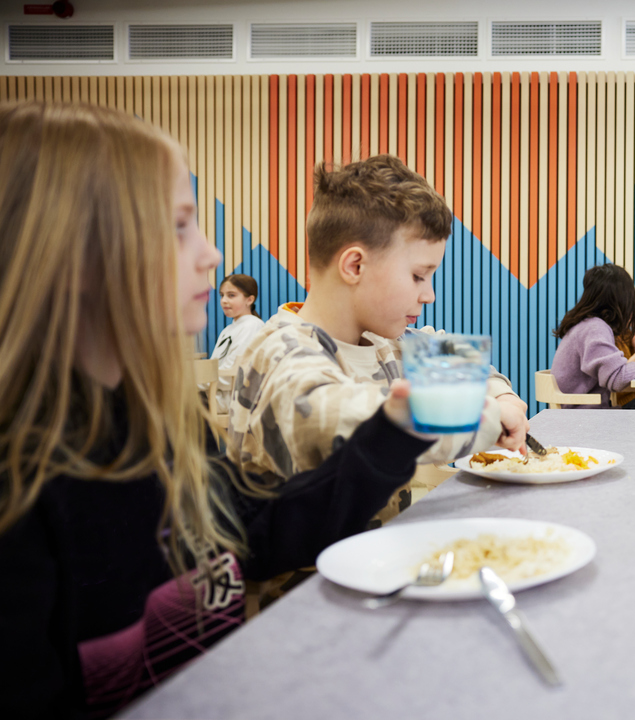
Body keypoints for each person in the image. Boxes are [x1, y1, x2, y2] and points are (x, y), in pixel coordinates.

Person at [0, 102, 438, 718]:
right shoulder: (21, 487)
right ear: (75, 253)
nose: (210, 254)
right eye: (180, 226)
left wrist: (394, 435)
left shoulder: (157, 425)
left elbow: (256, 534)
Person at [227, 155, 528, 486]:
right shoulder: (279, 352)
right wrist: (485, 418)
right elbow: (344, 421)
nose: (430, 295)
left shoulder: (390, 343)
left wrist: (502, 397)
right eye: (418, 276)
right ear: (355, 266)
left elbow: (471, 367)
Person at [551, 264, 635, 408]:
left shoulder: (586, 325)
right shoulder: (595, 328)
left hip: (580, 414)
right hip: (585, 418)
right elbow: (618, 380)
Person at [210, 273, 265, 412]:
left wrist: (195, 382)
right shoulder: (228, 329)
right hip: (214, 394)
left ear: (250, 300)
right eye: (222, 295)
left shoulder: (252, 325)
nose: (224, 300)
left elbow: (231, 376)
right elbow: (214, 367)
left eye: (231, 295)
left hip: (231, 400)